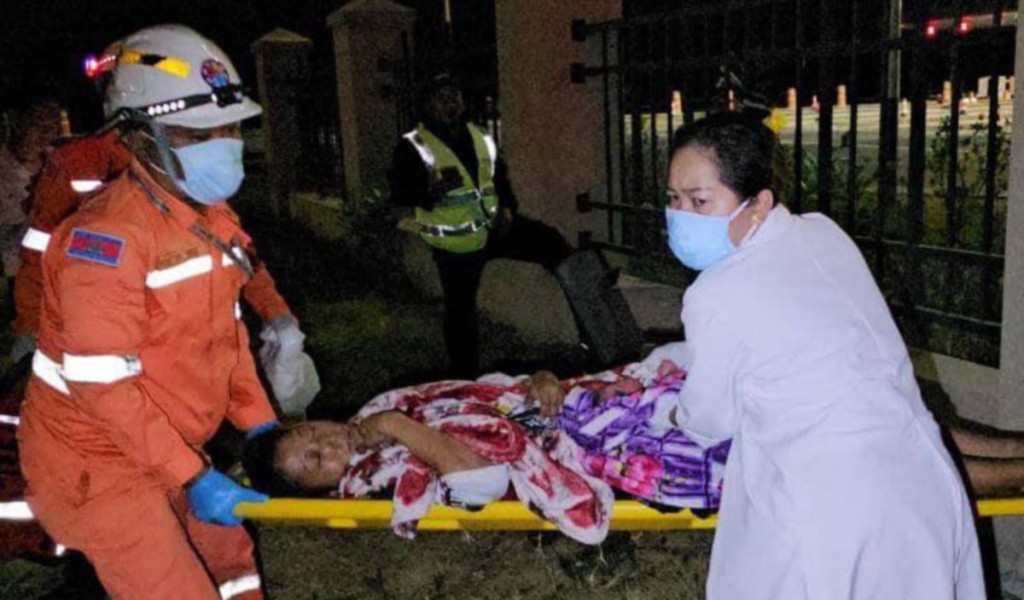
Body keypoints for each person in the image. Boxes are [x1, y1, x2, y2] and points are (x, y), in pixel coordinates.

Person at [656, 112, 983, 598]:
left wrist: (669, 408)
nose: (682, 216)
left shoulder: (715, 292)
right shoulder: (820, 233)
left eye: (700, 201)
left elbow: (708, 418)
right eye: (674, 199)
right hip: (919, 481)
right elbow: (806, 334)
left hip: (839, 504)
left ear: (758, 205)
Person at [17, 25, 279, 599]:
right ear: (137, 140)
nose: (224, 144)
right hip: (97, 462)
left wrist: (259, 424)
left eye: (230, 127)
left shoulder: (209, 217)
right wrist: (194, 475)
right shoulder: (106, 241)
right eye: (196, 133)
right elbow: (102, 387)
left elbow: (224, 335)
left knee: (232, 566)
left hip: (171, 446)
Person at [11, 46, 318, 418]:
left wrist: (277, 316)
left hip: (181, 362)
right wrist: (32, 333)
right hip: (96, 348)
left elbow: (234, 249)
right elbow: (40, 257)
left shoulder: (188, 169)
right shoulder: (81, 164)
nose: (220, 143)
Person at [244, 370, 614, 544]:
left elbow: (479, 390)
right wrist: (396, 426)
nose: (327, 442)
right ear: (322, 491)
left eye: (310, 431)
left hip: (571, 408)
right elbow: (485, 483)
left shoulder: (373, 412)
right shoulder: (370, 483)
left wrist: (538, 380)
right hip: (586, 453)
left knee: (667, 360)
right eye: (315, 460)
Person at [389, 73, 574, 378]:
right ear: (427, 105)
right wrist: (430, 190)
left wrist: (508, 209)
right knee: (460, 312)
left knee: (550, 241)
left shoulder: (479, 135)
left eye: (455, 96)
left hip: (494, 229)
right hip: (455, 244)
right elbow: (400, 192)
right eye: (442, 98)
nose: (450, 104)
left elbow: (499, 178)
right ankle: (466, 378)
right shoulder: (414, 145)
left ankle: (587, 323)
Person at [0, 99, 60, 311]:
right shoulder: (5, 170)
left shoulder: (61, 164)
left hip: (54, 276)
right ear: (18, 124)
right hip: (16, 276)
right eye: (38, 125)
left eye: (51, 127)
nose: (45, 134)